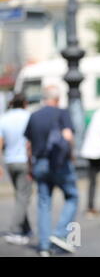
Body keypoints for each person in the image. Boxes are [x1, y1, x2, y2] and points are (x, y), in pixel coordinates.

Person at [24, 85, 78, 257]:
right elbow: (68, 136)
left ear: (44, 98)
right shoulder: (62, 113)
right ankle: (59, 233)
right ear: (57, 98)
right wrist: (71, 155)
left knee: (43, 203)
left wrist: (30, 167)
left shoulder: (34, 116)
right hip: (59, 163)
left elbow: (29, 145)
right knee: (72, 196)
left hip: (39, 163)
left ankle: (44, 246)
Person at [0, 94, 32, 245]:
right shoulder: (29, 116)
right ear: (25, 103)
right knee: (23, 196)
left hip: (9, 161)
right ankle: (15, 230)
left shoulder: (4, 118)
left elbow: (0, 142)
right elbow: (30, 142)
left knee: (20, 195)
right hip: (25, 161)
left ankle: (26, 228)